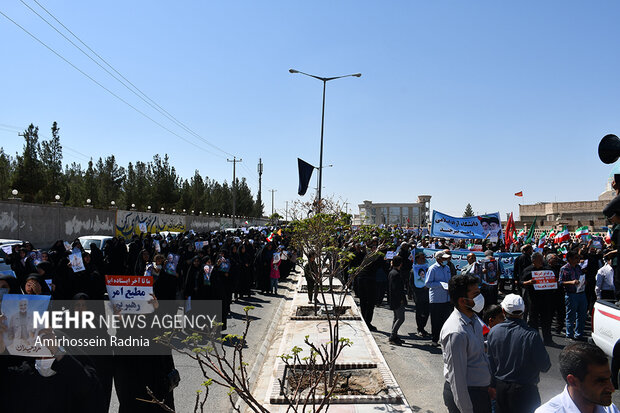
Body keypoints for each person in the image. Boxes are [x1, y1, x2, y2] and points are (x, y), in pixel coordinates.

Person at [487, 294, 551, 413]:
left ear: (503, 311)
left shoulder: (494, 331)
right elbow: (545, 366)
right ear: (523, 310)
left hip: (501, 389)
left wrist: (492, 385)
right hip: (526, 392)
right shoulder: (532, 335)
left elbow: (490, 364)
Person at [440, 274, 491, 413]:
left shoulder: (474, 320)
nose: (480, 297)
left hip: (480, 392)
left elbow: (479, 354)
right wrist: (467, 409)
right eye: (476, 294)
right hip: (468, 396)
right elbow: (457, 380)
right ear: (463, 300)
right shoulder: (456, 332)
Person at [536, 342, 619, 413]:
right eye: (601, 381)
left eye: (609, 379)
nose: (612, 389)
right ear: (573, 381)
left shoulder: (610, 409)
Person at [522, 252, 556, 344]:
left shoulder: (547, 270)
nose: (542, 261)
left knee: (546, 320)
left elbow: (553, 278)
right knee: (533, 321)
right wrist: (528, 282)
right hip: (533, 300)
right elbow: (521, 282)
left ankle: (548, 339)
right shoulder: (528, 270)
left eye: (542, 260)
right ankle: (535, 340)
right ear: (533, 260)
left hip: (545, 299)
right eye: (539, 260)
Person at [426, 251, 453, 346]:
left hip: (446, 298)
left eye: (446, 259)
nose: (446, 260)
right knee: (436, 321)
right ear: (438, 259)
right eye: (444, 258)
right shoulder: (432, 269)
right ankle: (434, 339)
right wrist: (440, 284)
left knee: (445, 320)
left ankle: (443, 339)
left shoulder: (447, 268)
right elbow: (428, 283)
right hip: (436, 299)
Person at [559, 250, 588, 341]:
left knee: (582, 315)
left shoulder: (578, 267)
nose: (578, 259)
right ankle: (569, 334)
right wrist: (571, 282)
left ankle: (579, 334)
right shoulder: (564, 268)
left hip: (581, 293)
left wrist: (584, 282)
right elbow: (560, 282)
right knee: (571, 315)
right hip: (571, 294)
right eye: (576, 258)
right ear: (570, 259)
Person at [388, 255, 407, 345]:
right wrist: (401, 299)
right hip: (397, 300)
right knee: (400, 318)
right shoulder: (395, 274)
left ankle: (395, 336)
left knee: (396, 318)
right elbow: (396, 289)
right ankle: (392, 336)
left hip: (394, 299)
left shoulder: (393, 272)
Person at [412, 251, 430, 337]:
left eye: (424, 258)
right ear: (417, 259)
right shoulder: (414, 270)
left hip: (427, 294)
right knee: (419, 312)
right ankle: (420, 328)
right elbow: (411, 284)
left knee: (426, 312)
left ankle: (423, 327)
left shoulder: (427, 268)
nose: (424, 259)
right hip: (419, 295)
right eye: (422, 258)